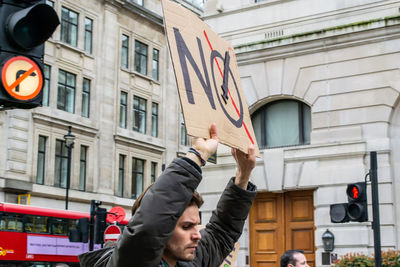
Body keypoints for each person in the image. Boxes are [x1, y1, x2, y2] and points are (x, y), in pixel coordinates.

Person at [79, 123, 257, 267]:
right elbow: (148, 228)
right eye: (186, 227)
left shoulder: (190, 261)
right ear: (162, 230)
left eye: (196, 225)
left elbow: (221, 233)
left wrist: (243, 174)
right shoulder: (129, 262)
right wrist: (197, 155)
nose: (198, 235)